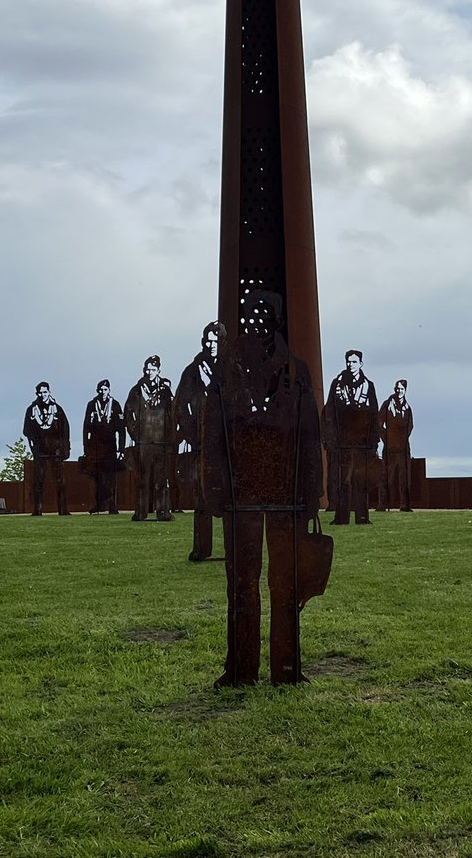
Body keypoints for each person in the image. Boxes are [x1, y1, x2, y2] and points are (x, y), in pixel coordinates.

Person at [201, 291, 328, 686]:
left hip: (284, 496)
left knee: (284, 585)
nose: (257, 322)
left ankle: (287, 669)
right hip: (242, 495)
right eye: (250, 315)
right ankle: (240, 669)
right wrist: (216, 489)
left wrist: (311, 494)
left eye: (264, 314)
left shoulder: (295, 370)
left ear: (275, 320)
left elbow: (310, 435)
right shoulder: (227, 371)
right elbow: (213, 435)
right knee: (241, 583)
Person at [176, 321, 226, 560]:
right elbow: (179, 405)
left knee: (229, 497)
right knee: (200, 497)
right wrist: (191, 434)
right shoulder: (193, 371)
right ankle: (201, 548)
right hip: (200, 443)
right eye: (208, 340)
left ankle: (231, 549)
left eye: (216, 341)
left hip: (226, 444)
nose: (211, 345)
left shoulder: (232, 368)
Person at [323, 349, 380, 524]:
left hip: (363, 443)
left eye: (354, 362)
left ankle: (362, 517)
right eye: (348, 361)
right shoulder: (337, 384)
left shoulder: (368, 385)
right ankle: (341, 518)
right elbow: (329, 412)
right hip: (343, 443)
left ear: (361, 363)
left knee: (361, 482)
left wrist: (374, 441)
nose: (350, 364)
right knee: (343, 482)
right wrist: (331, 439)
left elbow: (374, 414)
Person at [124, 356, 175, 522]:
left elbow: (172, 415)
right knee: (142, 479)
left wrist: (170, 437)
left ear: (159, 370)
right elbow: (128, 413)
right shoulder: (137, 390)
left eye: (152, 369)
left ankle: (163, 512)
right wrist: (135, 434)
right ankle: (140, 513)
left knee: (162, 479)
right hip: (143, 442)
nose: (148, 372)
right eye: (147, 369)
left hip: (161, 442)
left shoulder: (166, 391)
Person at [23, 381, 71, 516]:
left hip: (55, 451)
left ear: (49, 392)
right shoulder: (31, 409)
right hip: (40, 451)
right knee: (38, 481)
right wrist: (34, 449)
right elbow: (27, 431)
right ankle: (37, 510)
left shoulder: (58, 409)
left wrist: (65, 448)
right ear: (37, 393)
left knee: (60, 481)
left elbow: (65, 430)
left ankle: (63, 510)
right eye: (40, 392)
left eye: (45, 392)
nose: (42, 395)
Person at [82, 379, 125, 514]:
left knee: (111, 477)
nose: (102, 392)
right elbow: (85, 427)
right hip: (95, 446)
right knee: (98, 478)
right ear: (97, 390)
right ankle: (99, 505)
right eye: (100, 389)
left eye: (105, 389)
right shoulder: (91, 404)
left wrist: (121, 448)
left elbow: (121, 428)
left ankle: (112, 506)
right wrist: (85, 447)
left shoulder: (115, 405)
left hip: (110, 445)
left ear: (109, 390)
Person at [378, 379, 414, 512]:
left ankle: (405, 505)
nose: (399, 391)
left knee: (405, 477)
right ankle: (383, 504)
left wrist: (402, 439)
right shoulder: (387, 404)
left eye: (402, 389)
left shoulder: (407, 407)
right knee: (386, 476)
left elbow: (410, 426)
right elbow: (379, 422)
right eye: (397, 388)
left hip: (403, 448)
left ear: (405, 390)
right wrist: (386, 438)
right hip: (390, 447)